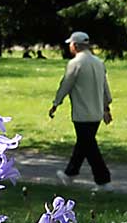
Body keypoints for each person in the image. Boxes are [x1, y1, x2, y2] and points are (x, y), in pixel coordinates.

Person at [49, 30, 114, 189]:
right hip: (96, 112)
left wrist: (56, 103)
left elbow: (66, 85)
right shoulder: (99, 63)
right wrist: (106, 108)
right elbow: (105, 88)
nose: (70, 47)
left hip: (82, 113)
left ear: (76, 46)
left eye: (71, 44)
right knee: (84, 144)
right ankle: (70, 174)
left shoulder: (75, 63)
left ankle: (103, 181)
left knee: (89, 147)